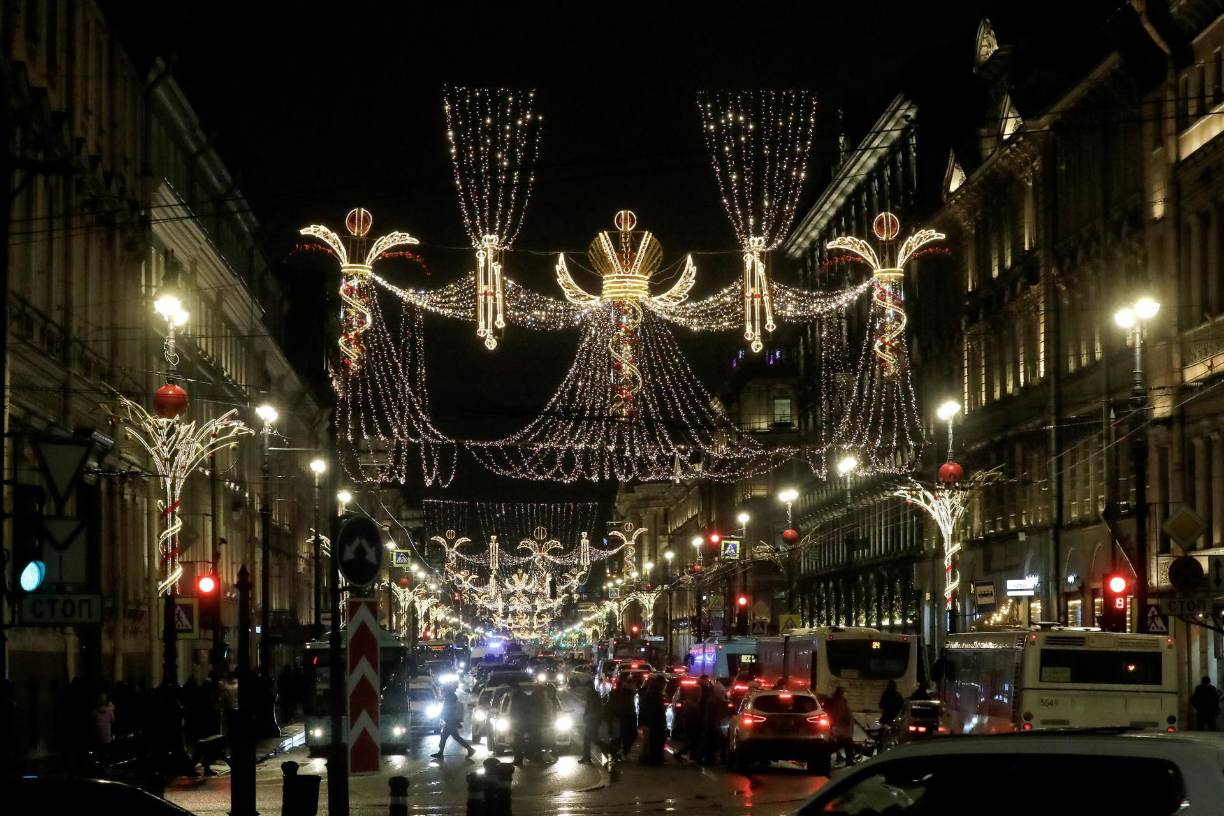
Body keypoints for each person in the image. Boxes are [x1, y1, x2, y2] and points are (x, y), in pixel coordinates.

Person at [432, 688, 475, 760]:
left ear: (446, 691)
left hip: (450, 721)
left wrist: (439, 717)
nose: (442, 693)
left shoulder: (449, 699)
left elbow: (446, 710)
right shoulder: (450, 698)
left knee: (452, 737)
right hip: (450, 721)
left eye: (442, 691)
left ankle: (470, 749)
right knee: (446, 736)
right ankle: (440, 752)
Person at [639, 676, 667, 765]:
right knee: (654, 741)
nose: (665, 685)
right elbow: (655, 710)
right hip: (654, 722)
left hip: (652, 721)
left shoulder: (652, 693)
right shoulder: (654, 694)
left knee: (651, 741)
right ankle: (653, 758)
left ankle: (651, 758)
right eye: (664, 683)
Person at [610, 676, 638, 759]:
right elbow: (623, 706)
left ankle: (617, 752)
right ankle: (616, 752)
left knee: (622, 736)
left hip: (625, 717)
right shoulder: (625, 694)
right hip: (624, 717)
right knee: (621, 736)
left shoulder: (629, 693)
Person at [826, 686, 855, 767]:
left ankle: (847, 759)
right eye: (843, 692)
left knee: (844, 743)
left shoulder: (835, 700)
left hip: (839, 725)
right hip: (841, 726)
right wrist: (846, 720)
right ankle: (848, 760)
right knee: (845, 742)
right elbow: (841, 712)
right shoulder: (839, 701)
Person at [578, 684, 604, 764]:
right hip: (592, 721)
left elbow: (591, 709)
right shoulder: (593, 695)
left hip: (592, 722)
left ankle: (611, 751)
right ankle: (586, 757)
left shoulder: (592, 696)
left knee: (594, 739)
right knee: (589, 739)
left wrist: (587, 718)